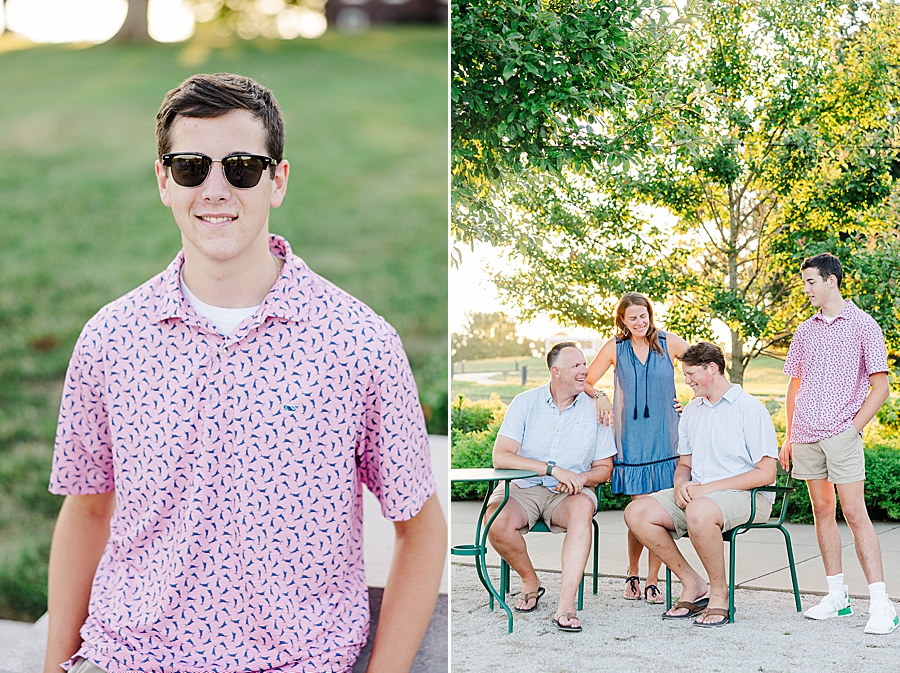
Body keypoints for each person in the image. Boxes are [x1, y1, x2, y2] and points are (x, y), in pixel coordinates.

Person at [44, 73, 447, 673]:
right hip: (126, 656)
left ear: (277, 180)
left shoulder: (360, 343)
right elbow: (87, 510)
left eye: (241, 167)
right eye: (189, 167)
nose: (214, 189)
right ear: (163, 181)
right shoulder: (110, 337)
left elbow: (421, 529)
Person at [778, 252, 898, 635]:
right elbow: (794, 386)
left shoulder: (864, 325)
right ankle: (837, 596)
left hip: (842, 434)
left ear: (832, 281)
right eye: (804, 283)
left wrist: (853, 427)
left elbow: (881, 386)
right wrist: (790, 435)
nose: (806, 289)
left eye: (811, 282)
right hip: (807, 435)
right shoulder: (804, 331)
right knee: (822, 511)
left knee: (855, 512)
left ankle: (881, 604)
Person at [625, 341, 778, 627]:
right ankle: (693, 583)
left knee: (700, 510)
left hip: (747, 495)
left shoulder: (749, 409)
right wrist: (681, 483)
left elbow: (767, 473)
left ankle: (720, 594)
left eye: (691, 373)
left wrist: (706, 490)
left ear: (712, 368)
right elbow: (685, 464)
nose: (686, 381)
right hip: (700, 495)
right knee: (637, 512)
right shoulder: (693, 410)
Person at [487, 342, 615, 632]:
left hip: (570, 495)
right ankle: (530, 580)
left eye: (584, 364)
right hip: (522, 488)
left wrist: (579, 479)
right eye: (577, 366)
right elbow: (501, 456)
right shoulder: (525, 402)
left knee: (583, 509)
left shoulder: (598, 409)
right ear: (555, 372)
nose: (585, 370)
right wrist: (550, 469)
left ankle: (565, 605)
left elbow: (604, 469)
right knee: (496, 521)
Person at [585, 292, 688, 603]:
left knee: (659, 511)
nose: (640, 322)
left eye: (643, 316)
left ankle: (653, 579)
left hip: (665, 436)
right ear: (623, 320)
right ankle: (633, 572)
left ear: (649, 315)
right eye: (633, 318)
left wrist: (694, 400)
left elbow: (707, 361)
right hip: (632, 440)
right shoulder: (616, 347)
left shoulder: (668, 341)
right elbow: (586, 380)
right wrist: (600, 395)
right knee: (638, 510)